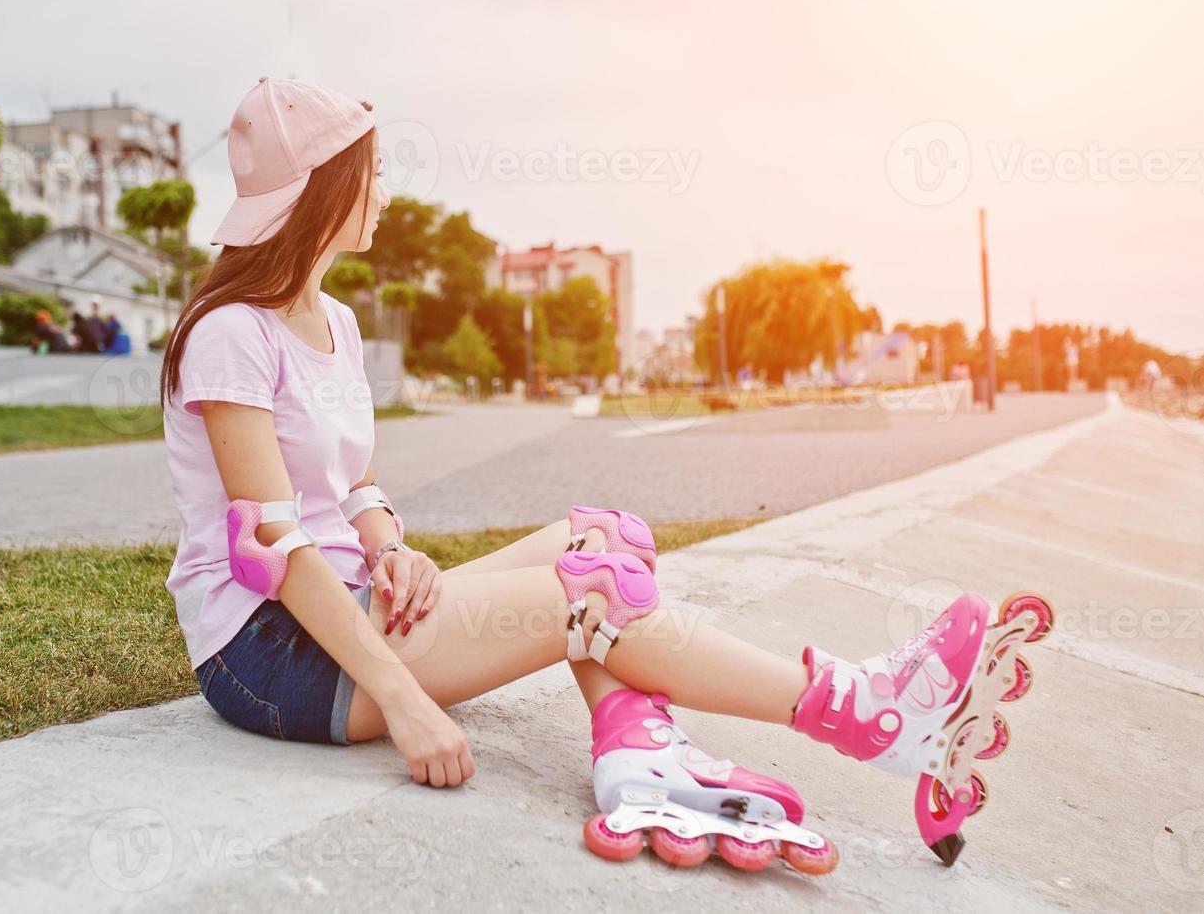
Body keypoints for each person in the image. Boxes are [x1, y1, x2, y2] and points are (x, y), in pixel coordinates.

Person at [161, 78, 1051, 874]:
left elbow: (352, 484)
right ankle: (867, 712)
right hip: (270, 652)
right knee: (589, 600)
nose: (385, 191)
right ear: (325, 188)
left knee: (601, 541)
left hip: (353, 601)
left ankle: (635, 745)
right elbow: (271, 546)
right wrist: (403, 703)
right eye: (373, 172)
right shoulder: (231, 332)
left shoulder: (338, 323)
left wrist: (391, 547)